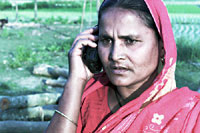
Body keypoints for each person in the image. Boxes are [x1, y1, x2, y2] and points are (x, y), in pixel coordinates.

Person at [46, 0, 200, 132]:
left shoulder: (189, 113)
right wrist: (76, 80)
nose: (115, 55)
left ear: (162, 47)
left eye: (130, 41)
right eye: (106, 40)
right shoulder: (87, 95)